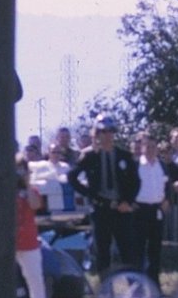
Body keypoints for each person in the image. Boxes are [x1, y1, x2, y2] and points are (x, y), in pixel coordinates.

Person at [68, 115, 138, 274]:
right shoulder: (90, 156)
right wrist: (90, 194)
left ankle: (134, 287)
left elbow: (136, 181)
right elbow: (72, 177)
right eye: (103, 131)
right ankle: (106, 290)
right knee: (102, 252)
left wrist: (128, 201)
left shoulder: (124, 155)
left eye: (110, 131)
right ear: (97, 134)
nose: (107, 135)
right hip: (101, 209)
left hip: (122, 209)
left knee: (128, 251)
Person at [131, 131, 171, 284]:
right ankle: (137, 285)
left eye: (153, 147)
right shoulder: (135, 165)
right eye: (147, 147)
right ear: (142, 147)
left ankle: (154, 284)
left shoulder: (162, 166)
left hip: (156, 211)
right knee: (137, 249)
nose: (150, 150)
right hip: (139, 210)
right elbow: (126, 186)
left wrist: (167, 199)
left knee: (155, 249)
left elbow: (167, 184)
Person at [15, 156, 50, 298]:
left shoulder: (33, 190)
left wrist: (27, 183)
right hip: (9, 240)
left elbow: (35, 205)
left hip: (28, 239)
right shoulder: (4, 190)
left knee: (34, 276)